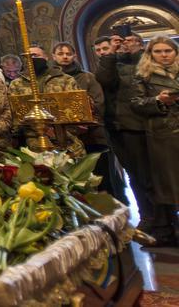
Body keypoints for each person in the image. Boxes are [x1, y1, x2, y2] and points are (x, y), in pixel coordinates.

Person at [96, 28, 156, 233]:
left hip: (149, 125)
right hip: (122, 127)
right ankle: (148, 216)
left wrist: (138, 52)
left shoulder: (147, 61)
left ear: (141, 44)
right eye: (122, 42)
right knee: (136, 176)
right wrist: (111, 52)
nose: (125, 44)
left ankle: (165, 217)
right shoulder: (112, 63)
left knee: (156, 174)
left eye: (131, 41)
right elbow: (104, 80)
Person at [51, 42, 122, 198]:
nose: (64, 57)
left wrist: (85, 122)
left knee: (101, 176)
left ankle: (110, 211)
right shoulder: (51, 80)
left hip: (93, 134)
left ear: (74, 55)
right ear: (53, 56)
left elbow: (98, 102)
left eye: (68, 54)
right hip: (65, 137)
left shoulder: (88, 77)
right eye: (60, 53)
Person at [130, 36, 179, 246]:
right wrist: (158, 100)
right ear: (150, 54)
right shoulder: (143, 75)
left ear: (175, 52)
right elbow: (136, 103)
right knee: (167, 184)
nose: (163, 55)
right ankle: (165, 230)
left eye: (167, 50)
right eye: (158, 51)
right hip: (162, 135)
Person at [10, 45, 86, 154]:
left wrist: (58, 131)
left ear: (46, 57)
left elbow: (77, 111)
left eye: (36, 55)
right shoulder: (17, 84)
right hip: (33, 142)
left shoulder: (65, 79)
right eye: (29, 56)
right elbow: (16, 114)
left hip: (66, 139)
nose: (32, 59)